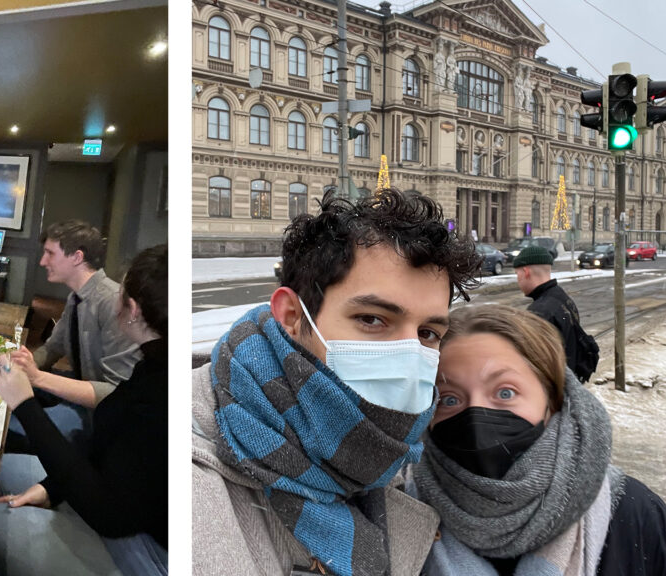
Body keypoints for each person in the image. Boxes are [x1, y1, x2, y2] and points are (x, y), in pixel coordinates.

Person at [192, 188, 482, 576]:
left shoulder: (396, 453)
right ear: (292, 315)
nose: (410, 354)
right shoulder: (191, 475)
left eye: (428, 333)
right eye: (372, 319)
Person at [410, 304, 666, 575]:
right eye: (449, 398)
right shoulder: (402, 513)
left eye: (505, 393)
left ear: (553, 402)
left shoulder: (635, 515)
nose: (475, 418)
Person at [0, 244, 168, 576]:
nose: (41, 261)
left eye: (50, 252)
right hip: (108, 496)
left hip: (139, 549)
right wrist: (52, 487)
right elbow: (113, 453)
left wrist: (25, 402)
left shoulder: (159, 391)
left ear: (134, 309)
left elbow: (110, 514)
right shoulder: (152, 364)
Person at [7, 220, 139, 445]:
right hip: (79, 392)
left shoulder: (113, 304)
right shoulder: (75, 298)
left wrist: (36, 377)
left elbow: (118, 393)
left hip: (100, 419)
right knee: (0, 404)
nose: (42, 261)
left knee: (6, 429)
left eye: (50, 253)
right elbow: (52, 348)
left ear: (77, 257)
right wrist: (18, 365)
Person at [513, 245, 597, 381]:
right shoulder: (562, 297)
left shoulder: (539, 312)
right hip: (568, 380)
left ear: (526, 272)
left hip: (554, 388)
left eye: (517, 274)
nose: (518, 280)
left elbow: (535, 365)